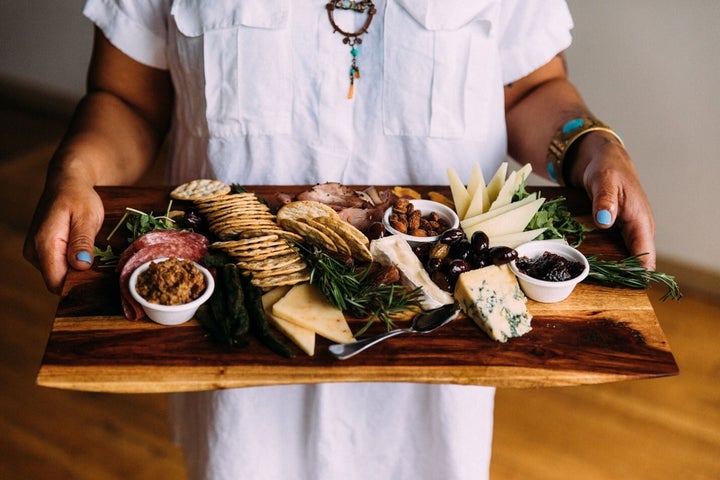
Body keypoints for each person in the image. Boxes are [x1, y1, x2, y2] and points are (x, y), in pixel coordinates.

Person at [24, 1, 656, 479]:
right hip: (247, 328)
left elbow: (532, 90)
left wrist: (588, 143)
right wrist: (76, 172)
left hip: (432, 329)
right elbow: (128, 100)